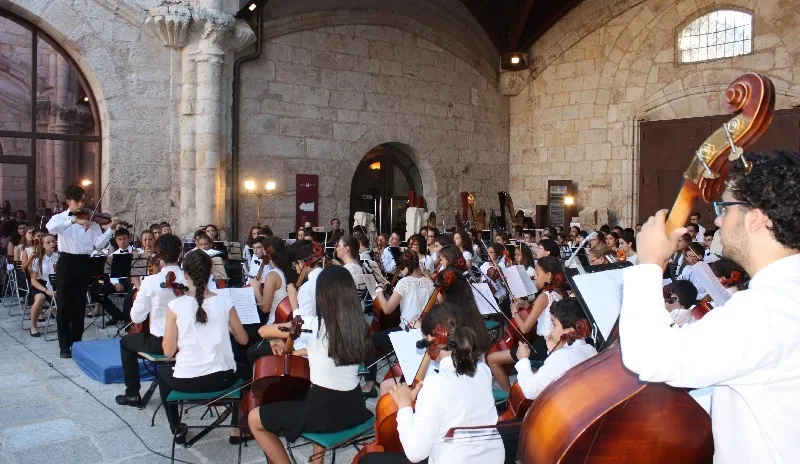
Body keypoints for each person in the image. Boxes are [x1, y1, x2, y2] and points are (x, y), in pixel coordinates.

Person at [620, 150, 800, 462]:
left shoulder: (765, 310)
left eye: (724, 207)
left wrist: (648, 262)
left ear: (755, 218)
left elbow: (649, 356)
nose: (717, 219)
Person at [248, 266, 373, 464]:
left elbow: (263, 331)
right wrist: (305, 351)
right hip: (355, 407)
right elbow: (333, 350)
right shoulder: (359, 326)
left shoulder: (312, 324)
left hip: (325, 412)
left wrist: (284, 335)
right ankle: (317, 461)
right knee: (312, 395)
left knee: (254, 418)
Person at [359, 303, 505, 464]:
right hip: (492, 457)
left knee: (368, 460)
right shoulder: (483, 370)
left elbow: (415, 453)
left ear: (430, 340)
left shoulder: (434, 385)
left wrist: (405, 406)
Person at [158, 249, 249, 443]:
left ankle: (177, 429)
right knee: (248, 371)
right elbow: (244, 340)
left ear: (186, 275)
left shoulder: (175, 307)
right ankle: (236, 429)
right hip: (220, 380)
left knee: (161, 372)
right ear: (210, 273)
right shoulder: (224, 301)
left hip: (185, 381)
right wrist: (227, 328)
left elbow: (167, 352)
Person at [46, 185, 116, 358]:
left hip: (84, 262)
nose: (81, 205)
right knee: (63, 304)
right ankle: (64, 345)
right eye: (78, 201)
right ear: (69, 202)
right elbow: (51, 228)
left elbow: (98, 243)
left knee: (79, 305)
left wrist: (111, 229)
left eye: (83, 201)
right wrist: (74, 221)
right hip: (67, 261)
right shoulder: (61, 218)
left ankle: (77, 341)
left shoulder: (91, 221)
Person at [116, 234, 186, 407]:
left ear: (158, 254)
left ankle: (132, 394)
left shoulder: (151, 282)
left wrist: (141, 290)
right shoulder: (189, 278)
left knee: (126, 342)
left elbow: (136, 317)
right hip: (188, 340)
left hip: (161, 343)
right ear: (180, 253)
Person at [486, 256, 565, 392]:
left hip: (541, 348)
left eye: (538, 273)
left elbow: (524, 328)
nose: (535, 276)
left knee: (491, 358)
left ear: (548, 275)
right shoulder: (557, 293)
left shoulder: (544, 296)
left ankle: (509, 397)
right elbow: (544, 310)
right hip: (551, 344)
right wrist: (526, 304)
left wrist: (515, 311)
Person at [362, 250, 435, 397]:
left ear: (404, 266)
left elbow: (387, 309)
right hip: (423, 331)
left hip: (405, 332)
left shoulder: (404, 282)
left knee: (368, 341)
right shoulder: (429, 282)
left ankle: (370, 384)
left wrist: (377, 291)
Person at [91, 228, 135, 324]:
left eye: (124, 238)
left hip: (134, 281)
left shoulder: (137, 252)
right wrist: (116, 283)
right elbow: (111, 273)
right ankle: (117, 315)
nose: (122, 241)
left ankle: (129, 318)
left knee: (131, 294)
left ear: (129, 238)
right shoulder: (112, 255)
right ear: (116, 240)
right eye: (119, 239)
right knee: (97, 293)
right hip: (119, 281)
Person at [27, 234, 59, 336]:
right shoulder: (38, 259)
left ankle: (59, 316)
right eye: (48, 242)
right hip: (41, 285)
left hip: (56, 284)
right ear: (43, 245)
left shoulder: (59, 257)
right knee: (40, 298)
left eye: (53, 241)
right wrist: (46, 291)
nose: (52, 244)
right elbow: (33, 280)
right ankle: (33, 326)